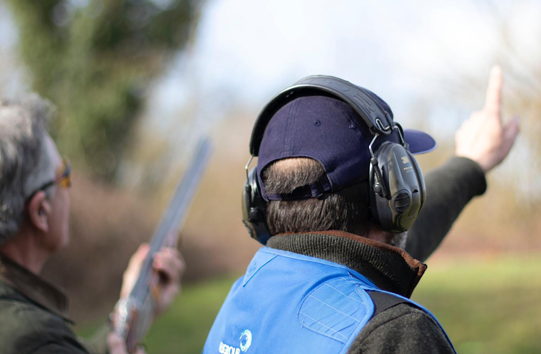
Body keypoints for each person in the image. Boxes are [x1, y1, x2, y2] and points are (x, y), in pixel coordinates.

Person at [204, 67, 519, 353]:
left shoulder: (242, 299)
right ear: (395, 195)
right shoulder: (391, 333)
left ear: (257, 200)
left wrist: (469, 164)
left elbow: (371, 260)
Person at [0, 96, 185, 354]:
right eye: (64, 175)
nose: (70, 186)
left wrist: (129, 311)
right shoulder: (35, 340)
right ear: (41, 211)